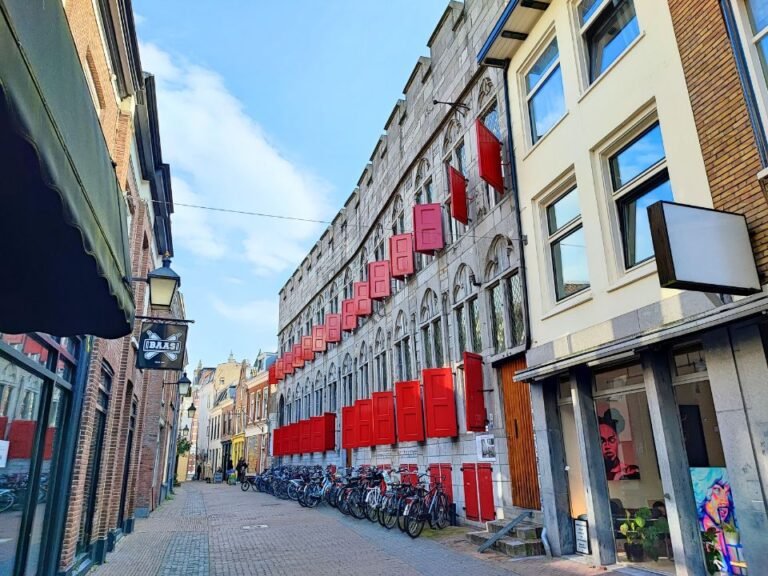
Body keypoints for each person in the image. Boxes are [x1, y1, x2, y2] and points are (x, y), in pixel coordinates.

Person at [599, 409, 640, 480]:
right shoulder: (596, 474)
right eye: (602, 441)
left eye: (611, 440)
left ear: (618, 440)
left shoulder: (630, 471)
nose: (607, 446)